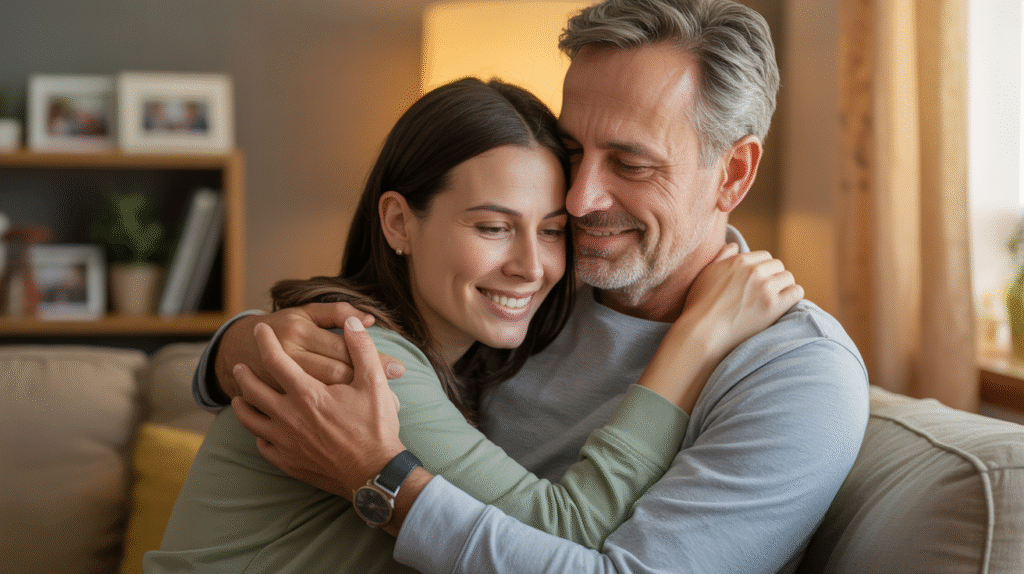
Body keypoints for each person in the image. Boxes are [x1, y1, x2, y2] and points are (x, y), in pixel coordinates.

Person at [194, 1, 871, 572]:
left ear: (734, 173)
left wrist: (380, 479)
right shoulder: (532, 295)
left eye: (631, 163)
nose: (579, 200)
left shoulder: (794, 372)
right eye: (572, 153)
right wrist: (240, 348)